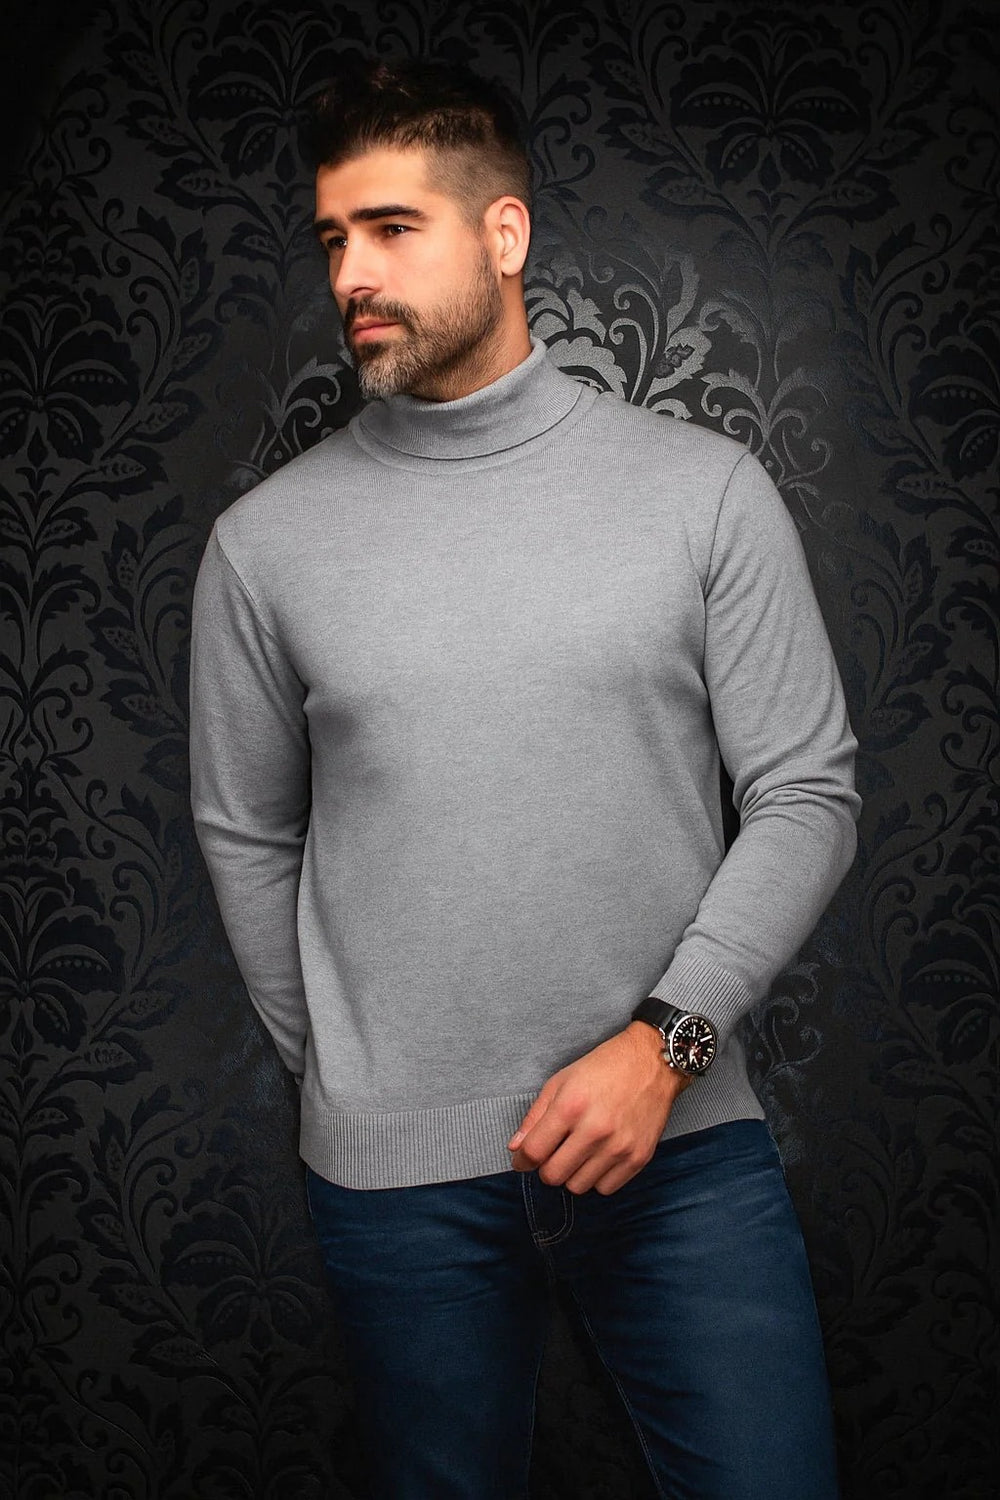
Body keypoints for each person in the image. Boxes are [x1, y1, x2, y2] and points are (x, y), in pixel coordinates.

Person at [189, 56, 860, 1500]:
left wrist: (665, 1048)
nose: (352, 275)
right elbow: (245, 831)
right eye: (332, 238)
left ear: (504, 234)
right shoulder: (265, 545)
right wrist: (357, 1078)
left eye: (392, 229)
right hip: (396, 1188)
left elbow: (807, 793)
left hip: (680, 1148)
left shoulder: (705, 493)